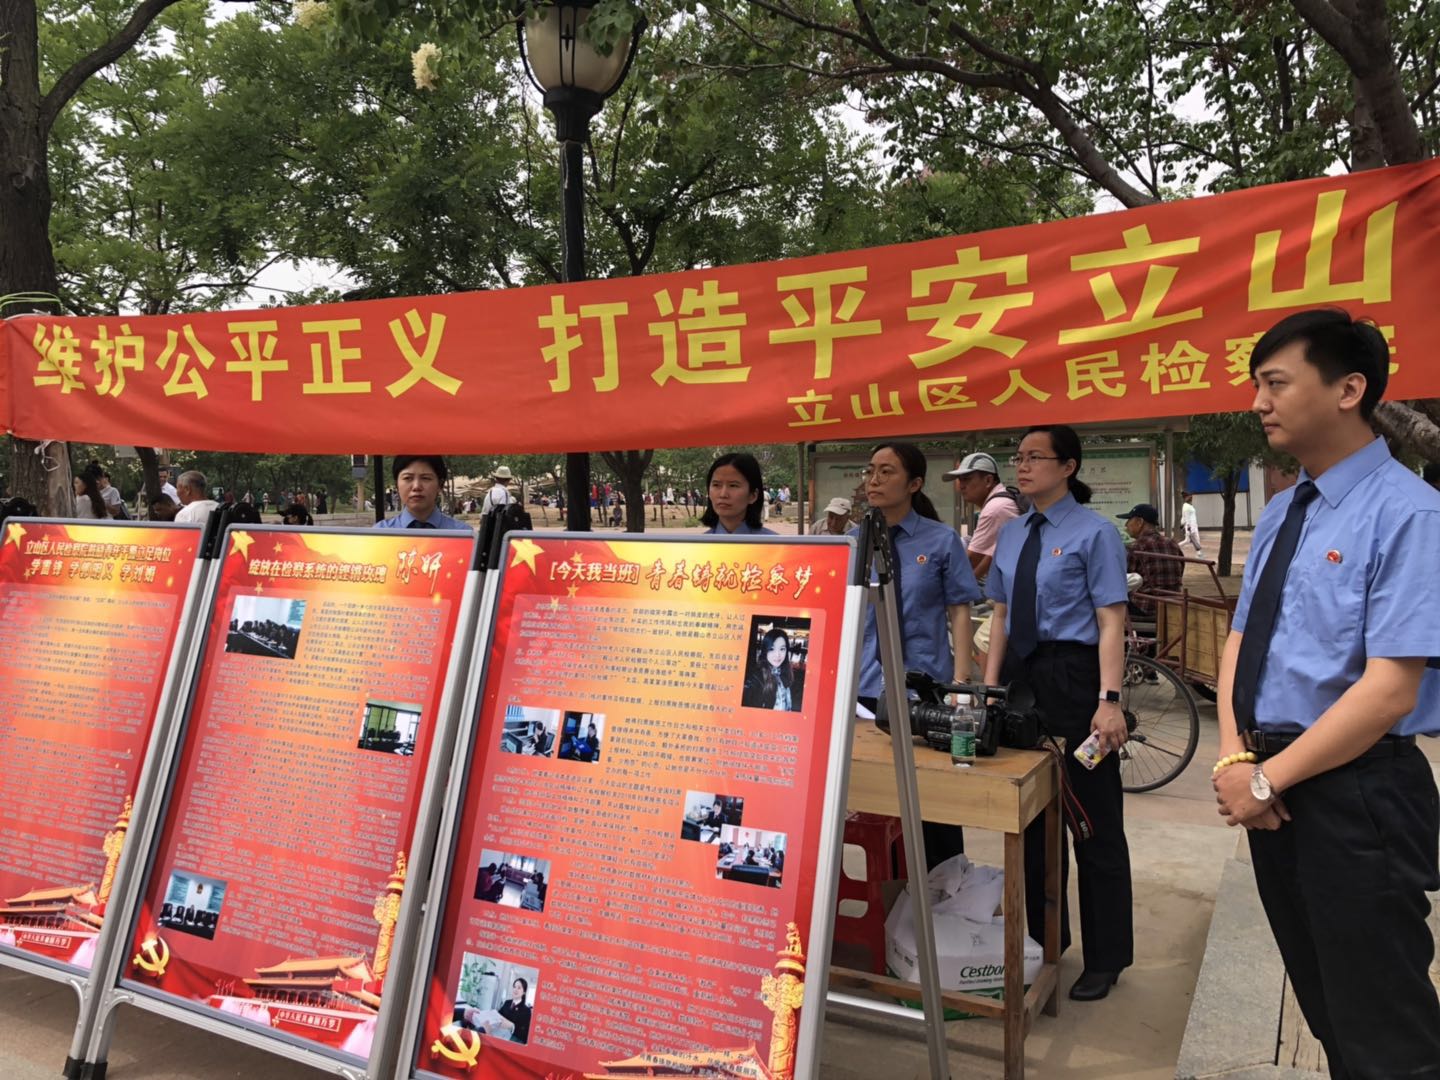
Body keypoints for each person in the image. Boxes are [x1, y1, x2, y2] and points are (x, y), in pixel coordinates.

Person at [1212, 308, 1440, 1075]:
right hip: (1273, 786)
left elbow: (1390, 691)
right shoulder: (1285, 511)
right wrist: (1235, 761)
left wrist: (1266, 778)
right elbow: (1241, 643)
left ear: (1349, 389)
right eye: (1257, 384)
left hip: (1359, 793)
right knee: (1325, 1005)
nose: (1259, 403)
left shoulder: (1412, 515)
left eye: (1276, 383)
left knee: (1384, 1029)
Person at [984, 424, 1132, 1002]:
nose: (1022, 466)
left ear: (1068, 466)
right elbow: (1000, 614)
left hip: (1075, 680)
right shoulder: (1013, 533)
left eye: (1035, 457)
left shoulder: (1096, 533)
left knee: (1092, 822)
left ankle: (1106, 958)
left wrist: (1109, 701)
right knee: (1029, 822)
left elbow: (1111, 621)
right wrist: (989, 689)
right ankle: (1047, 945)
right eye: (1018, 457)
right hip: (1021, 679)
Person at [852, 441, 981, 870]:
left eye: (886, 471)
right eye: (870, 471)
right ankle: (893, 894)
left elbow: (959, 610)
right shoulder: (852, 543)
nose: (874, 480)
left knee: (934, 804)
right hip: (865, 692)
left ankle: (945, 889)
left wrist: (961, 684)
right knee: (877, 804)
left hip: (925, 692)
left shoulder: (940, 540)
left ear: (914, 484)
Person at [946, 450, 1021, 672]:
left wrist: (942, 590)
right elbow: (990, 555)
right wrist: (970, 584)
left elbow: (970, 560)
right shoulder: (1003, 501)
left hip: (1022, 594)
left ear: (988, 480)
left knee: (983, 640)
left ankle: (992, 689)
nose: (961, 486)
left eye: (967, 479)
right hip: (1016, 590)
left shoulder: (995, 509)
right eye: (960, 480)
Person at [1116, 503, 1183, 617]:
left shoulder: (1135, 547)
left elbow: (1122, 579)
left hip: (1144, 606)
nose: (1126, 525)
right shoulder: (1172, 544)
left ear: (1140, 522)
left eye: (1129, 520)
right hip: (1172, 605)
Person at [375, 455, 467, 530]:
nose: (416, 486)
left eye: (425, 478)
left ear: (440, 485)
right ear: (397, 485)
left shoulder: (463, 535)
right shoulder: (380, 534)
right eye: (408, 478)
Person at [700, 453, 776, 535]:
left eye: (733, 485)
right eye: (716, 485)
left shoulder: (773, 542)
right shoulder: (699, 542)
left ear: (753, 496)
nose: (723, 494)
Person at [742, 627, 804, 711]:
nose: (777, 655)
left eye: (782, 649)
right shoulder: (756, 678)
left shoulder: (787, 674)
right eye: (771, 649)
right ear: (765, 650)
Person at [496, 978, 532, 1044]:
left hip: (513, 1040)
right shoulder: (507, 1003)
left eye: (519, 988)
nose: (515, 989)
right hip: (500, 1034)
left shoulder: (526, 1011)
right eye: (514, 987)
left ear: (524, 992)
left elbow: (525, 1034)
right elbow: (498, 1015)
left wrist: (512, 1026)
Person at [1180, 491, 1204, 556]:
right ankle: (1176, 547)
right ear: (1185, 498)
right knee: (1189, 540)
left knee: (1194, 539)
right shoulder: (1186, 507)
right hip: (1190, 526)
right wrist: (1188, 528)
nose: (1191, 498)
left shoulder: (1189, 505)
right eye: (1189, 497)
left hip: (1193, 525)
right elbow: (1187, 518)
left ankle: (1199, 554)